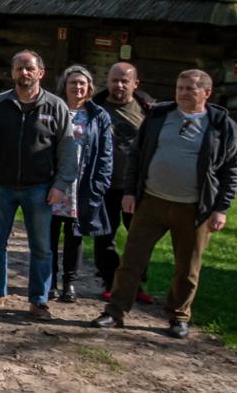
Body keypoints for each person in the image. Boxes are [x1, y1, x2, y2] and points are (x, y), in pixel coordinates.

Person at [93, 70, 237, 339]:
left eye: (190, 89)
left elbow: (233, 169)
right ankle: (115, 312)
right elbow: (137, 156)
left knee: (187, 267)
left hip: (194, 208)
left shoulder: (221, 124)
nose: (183, 93)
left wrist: (221, 208)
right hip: (151, 201)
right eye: (180, 87)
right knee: (131, 261)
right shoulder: (159, 115)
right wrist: (130, 192)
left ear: (206, 93)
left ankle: (178, 315)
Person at [0, 50, 79, 319]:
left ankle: (39, 300)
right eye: (19, 68)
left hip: (40, 188)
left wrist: (61, 184)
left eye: (29, 68)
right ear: (12, 73)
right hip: (1, 186)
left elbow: (67, 149)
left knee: (42, 247)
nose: (24, 73)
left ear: (41, 73)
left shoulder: (56, 107)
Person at [91, 62, 158, 303]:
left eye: (124, 81)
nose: (119, 85)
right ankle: (110, 282)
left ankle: (136, 284)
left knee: (138, 238)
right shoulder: (94, 107)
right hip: (103, 186)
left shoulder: (149, 110)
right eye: (114, 80)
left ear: (135, 83)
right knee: (104, 236)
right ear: (107, 81)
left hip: (138, 187)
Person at [47, 65, 113, 303]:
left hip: (81, 185)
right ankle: (50, 281)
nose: (77, 87)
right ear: (64, 86)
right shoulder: (53, 110)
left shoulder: (99, 116)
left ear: (89, 88)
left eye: (82, 83)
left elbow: (106, 154)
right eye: (72, 83)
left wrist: (99, 186)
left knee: (75, 235)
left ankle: (69, 283)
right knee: (49, 234)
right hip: (54, 183)